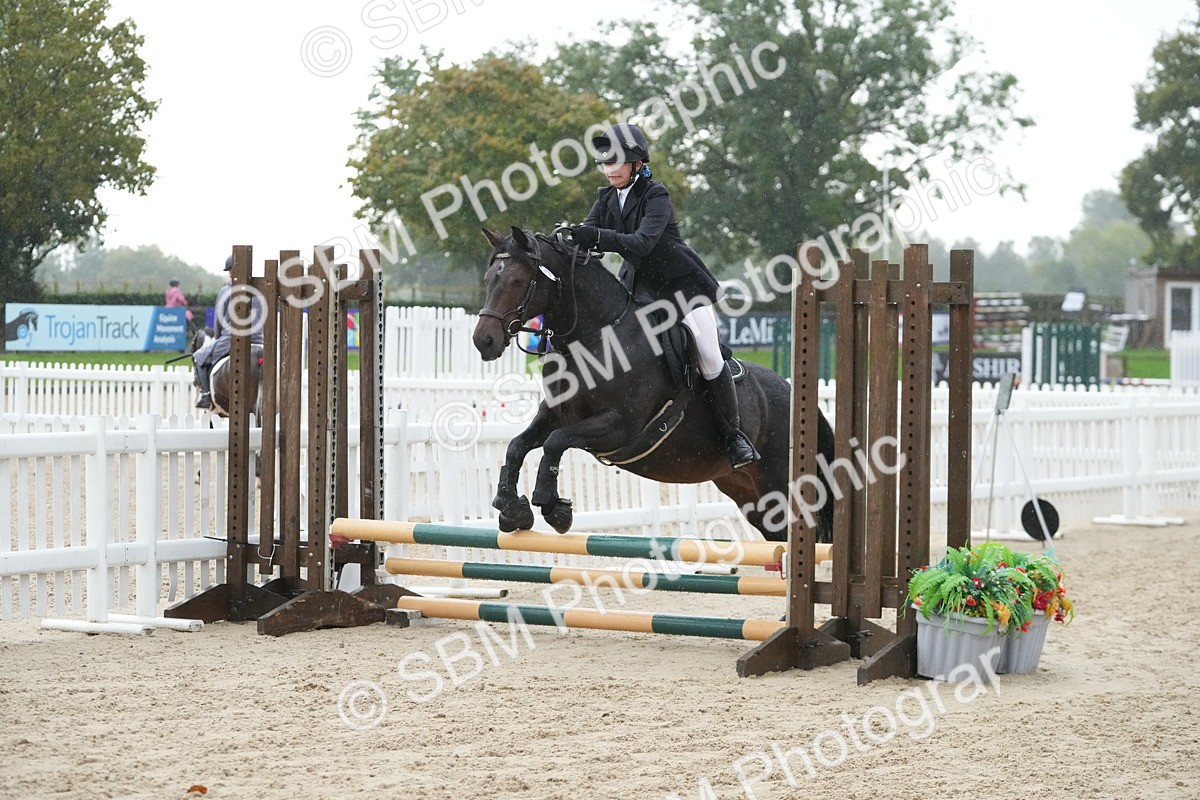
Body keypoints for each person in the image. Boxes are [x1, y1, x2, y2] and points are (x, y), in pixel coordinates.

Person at [570, 123, 759, 469]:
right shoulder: (605, 198)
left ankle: (734, 436)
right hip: (638, 286)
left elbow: (642, 243)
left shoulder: (655, 195)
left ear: (637, 163)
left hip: (680, 287)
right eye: (605, 163)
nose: (610, 170)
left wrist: (596, 234)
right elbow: (589, 238)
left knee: (710, 356)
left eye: (617, 162)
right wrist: (567, 239)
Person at [193, 255, 264, 409]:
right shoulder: (259, 291)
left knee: (198, 356)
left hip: (231, 338)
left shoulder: (226, 290)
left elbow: (219, 319)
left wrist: (218, 338)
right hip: (259, 340)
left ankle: (205, 395)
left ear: (232, 271)